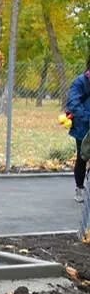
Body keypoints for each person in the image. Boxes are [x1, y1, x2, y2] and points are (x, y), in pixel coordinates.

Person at [64, 58, 90, 202]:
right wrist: (87, 117)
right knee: (83, 157)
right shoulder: (80, 82)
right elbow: (73, 103)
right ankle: (79, 188)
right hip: (83, 128)